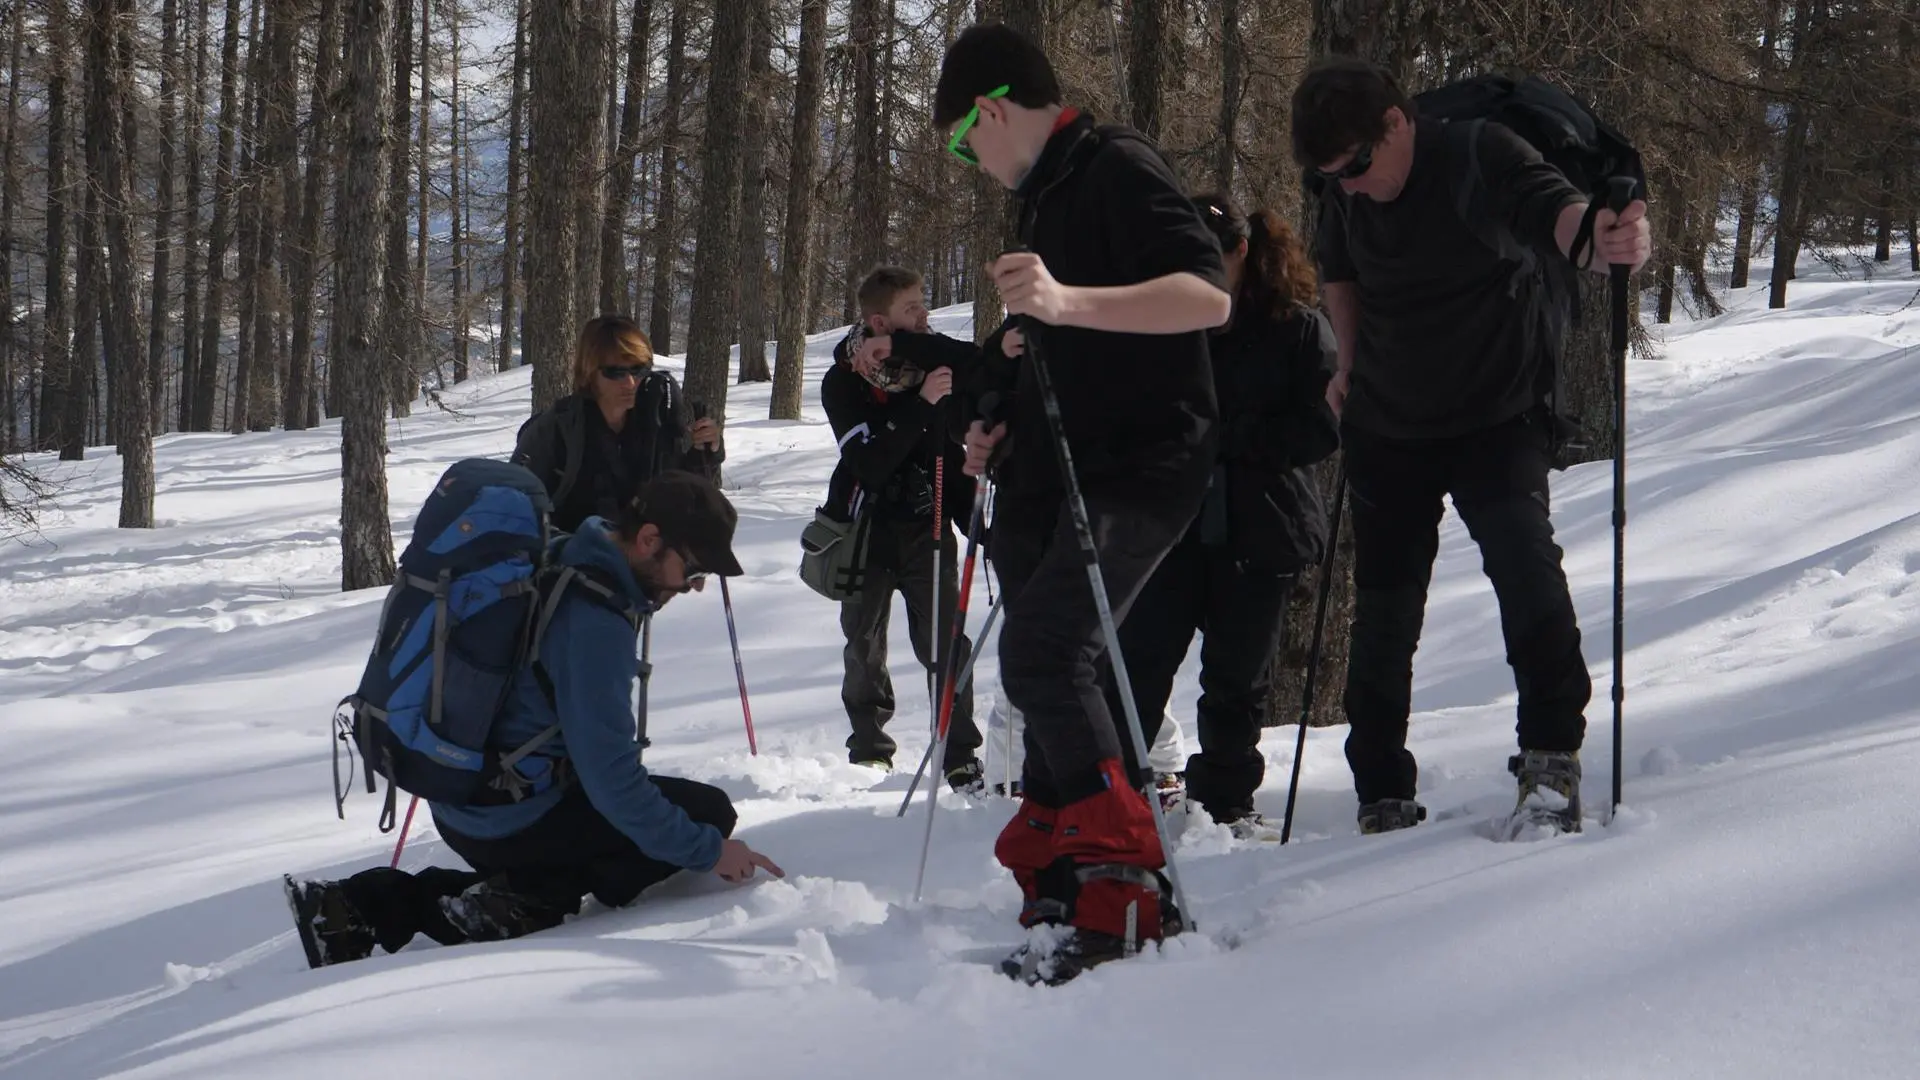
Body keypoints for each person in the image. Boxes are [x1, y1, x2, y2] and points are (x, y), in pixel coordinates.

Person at [934, 22, 1232, 981]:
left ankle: (1128, 896)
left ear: (992, 109)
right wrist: (1003, 427)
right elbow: (1072, 359)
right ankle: (1071, 880)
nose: (967, 161)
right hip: (1066, 470)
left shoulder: (1113, 168)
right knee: (1059, 664)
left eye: (960, 140)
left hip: (1145, 466)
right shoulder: (1051, 197)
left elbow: (1205, 295)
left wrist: (1064, 303)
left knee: (1048, 650)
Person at [1290, 57, 1652, 834]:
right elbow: (1341, 273)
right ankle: (1380, 787)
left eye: (1356, 165)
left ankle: (1551, 757)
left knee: (1525, 569)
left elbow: (1558, 218)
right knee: (1384, 610)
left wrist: (1604, 239)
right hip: (1389, 417)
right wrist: (1345, 363)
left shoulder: (1480, 154)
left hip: (1499, 410)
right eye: (1332, 176)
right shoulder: (1346, 191)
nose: (1349, 184)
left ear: (1397, 125)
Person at [284, 471, 783, 968]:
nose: (694, 587)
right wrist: (708, 852)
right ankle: (414, 907)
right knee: (707, 816)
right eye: (692, 569)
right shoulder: (595, 621)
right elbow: (613, 782)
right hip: (507, 816)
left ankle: (357, 908)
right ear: (650, 539)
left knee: (672, 815)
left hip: (467, 793)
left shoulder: (565, 551)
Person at [1101, 192, 1339, 839]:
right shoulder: (1161, 326)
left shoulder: (1294, 324)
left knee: (1235, 680)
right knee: (1138, 663)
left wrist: (1228, 439)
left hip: (1261, 525)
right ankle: (1112, 793)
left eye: (1209, 259)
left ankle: (1225, 803)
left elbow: (1319, 429)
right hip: (1170, 529)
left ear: (1242, 253)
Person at [819, 266, 986, 789]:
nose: (925, 315)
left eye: (924, 304)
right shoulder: (843, 381)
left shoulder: (930, 359)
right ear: (879, 319)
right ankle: (869, 748)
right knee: (864, 642)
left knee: (944, 642)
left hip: (929, 524)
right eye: (912, 308)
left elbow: (955, 441)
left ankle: (959, 753)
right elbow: (868, 462)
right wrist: (921, 407)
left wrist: (980, 526)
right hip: (864, 528)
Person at [511, 316, 724, 533]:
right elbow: (515, 509)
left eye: (638, 370)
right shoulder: (556, 430)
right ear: (589, 373)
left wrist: (703, 453)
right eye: (615, 372)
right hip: (576, 558)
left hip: (645, 556)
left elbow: (681, 498)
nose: (630, 383)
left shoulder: (654, 421)